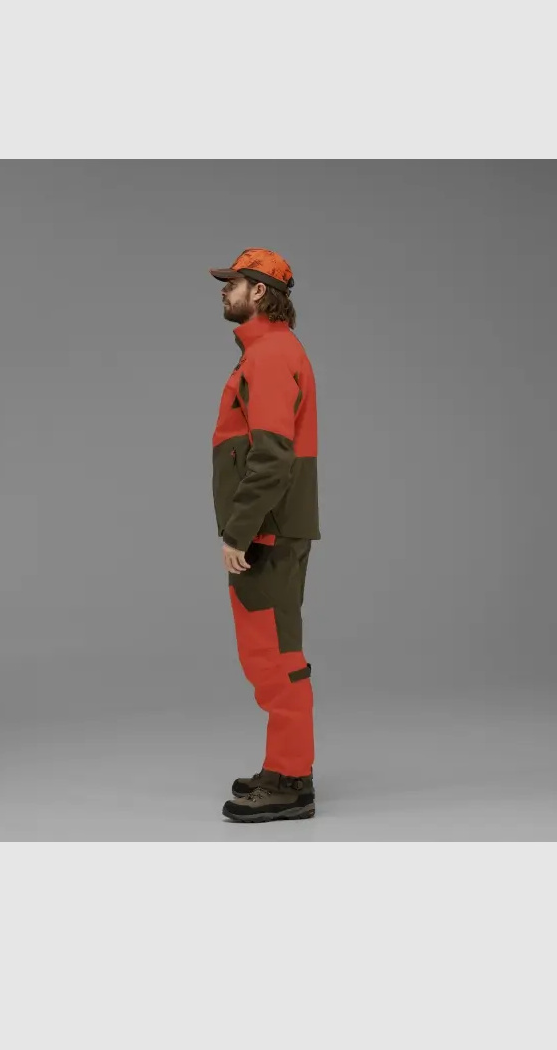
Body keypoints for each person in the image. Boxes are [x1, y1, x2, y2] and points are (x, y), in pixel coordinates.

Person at [209, 248, 321, 822]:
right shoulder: (265, 352)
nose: (223, 290)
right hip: (271, 528)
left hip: (267, 533)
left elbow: (272, 456)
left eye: (232, 282)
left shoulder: (272, 355)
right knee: (269, 654)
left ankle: (291, 781)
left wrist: (238, 531)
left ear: (259, 291)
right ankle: (283, 767)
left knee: (276, 657)